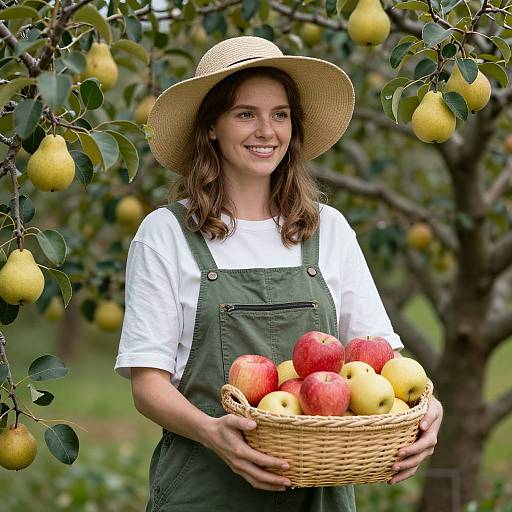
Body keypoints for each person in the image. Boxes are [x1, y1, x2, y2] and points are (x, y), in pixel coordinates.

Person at [115, 35, 443, 511]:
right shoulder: (166, 234)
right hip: (205, 490)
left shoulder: (327, 229)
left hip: (318, 494)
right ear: (211, 126)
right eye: (245, 113)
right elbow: (148, 383)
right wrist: (214, 433)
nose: (266, 130)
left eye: (280, 114)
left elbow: (381, 364)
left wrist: (426, 407)